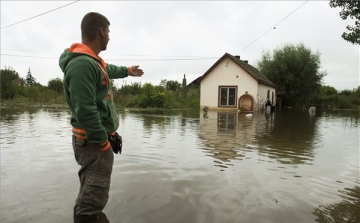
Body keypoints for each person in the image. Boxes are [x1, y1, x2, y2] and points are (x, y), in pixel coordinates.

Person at [59, 12, 143, 222]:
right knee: (92, 198)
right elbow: (85, 111)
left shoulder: (93, 62)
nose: (109, 37)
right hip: (93, 141)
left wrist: (127, 71)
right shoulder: (82, 65)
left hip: (94, 140)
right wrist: (103, 144)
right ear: (101, 31)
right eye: (108, 31)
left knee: (91, 189)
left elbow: (107, 69)